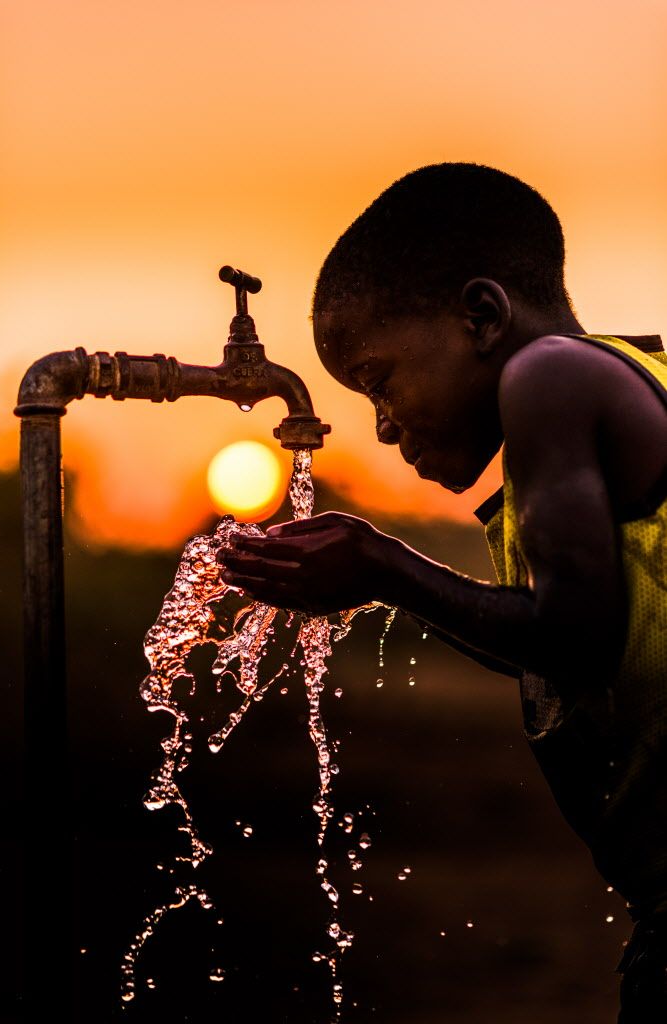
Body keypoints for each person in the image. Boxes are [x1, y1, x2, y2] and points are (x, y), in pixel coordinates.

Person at [217, 163, 667, 1021]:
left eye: (379, 380)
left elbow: (575, 638)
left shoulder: (549, 377)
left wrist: (383, 565)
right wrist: (377, 586)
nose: (383, 424)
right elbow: (569, 651)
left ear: (481, 316)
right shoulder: (625, 374)